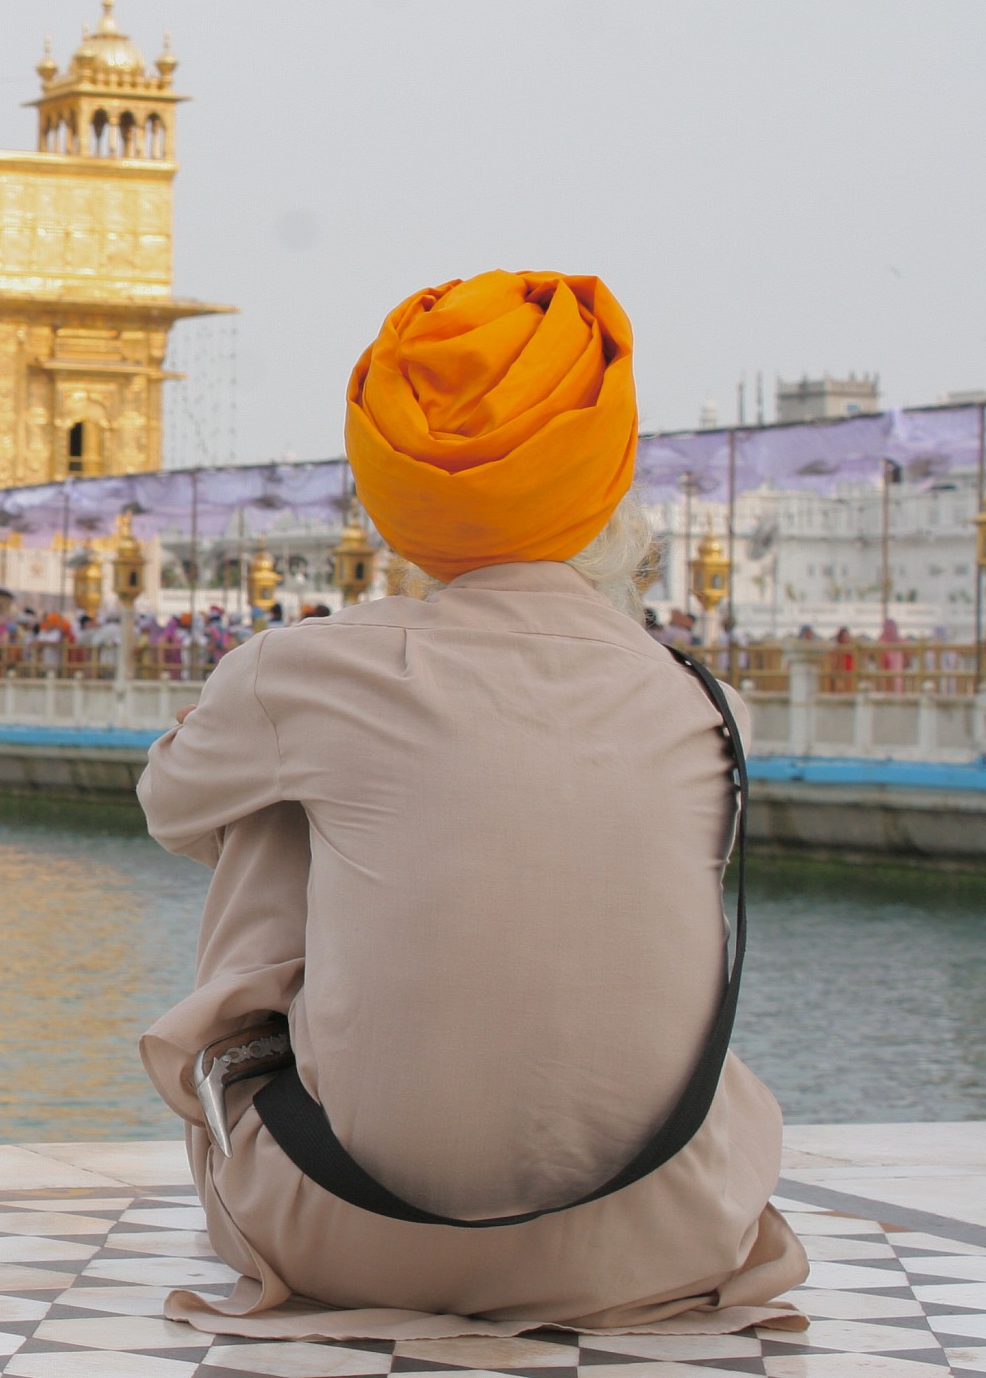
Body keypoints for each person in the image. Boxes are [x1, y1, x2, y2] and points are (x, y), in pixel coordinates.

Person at [137, 271, 804, 1338]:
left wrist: (282, 723)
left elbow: (171, 805)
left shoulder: (307, 671)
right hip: (664, 1234)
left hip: (339, 1231)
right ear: (608, 470)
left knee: (273, 805)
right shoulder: (701, 705)